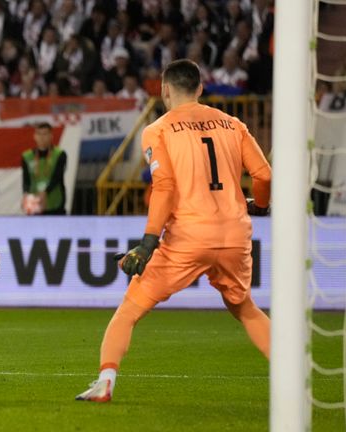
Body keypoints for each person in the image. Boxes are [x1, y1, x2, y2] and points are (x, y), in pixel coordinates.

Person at [75, 59, 272, 403]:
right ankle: (293, 376)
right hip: (235, 236)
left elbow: (163, 187)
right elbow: (265, 176)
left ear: (164, 89)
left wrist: (148, 244)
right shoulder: (233, 124)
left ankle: (105, 381)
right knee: (245, 309)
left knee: (130, 310)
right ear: (199, 88)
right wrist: (262, 205)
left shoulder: (158, 130)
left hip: (189, 237)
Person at [21, 122, 67, 215]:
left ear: (51, 136)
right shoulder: (27, 156)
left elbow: (57, 176)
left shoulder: (59, 154)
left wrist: (45, 192)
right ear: (34, 136)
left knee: (56, 228)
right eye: (39, 134)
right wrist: (25, 193)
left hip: (55, 201)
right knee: (35, 228)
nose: (42, 137)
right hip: (35, 201)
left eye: (45, 134)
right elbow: (26, 179)